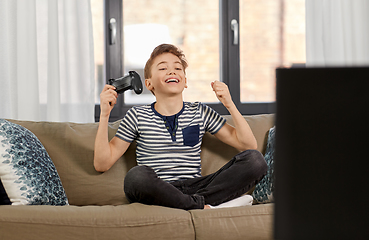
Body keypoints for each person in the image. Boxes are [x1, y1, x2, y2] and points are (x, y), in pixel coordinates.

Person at [94, 44, 267, 210]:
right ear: (149, 84)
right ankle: (203, 206)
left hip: (198, 188)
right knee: (136, 177)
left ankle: (192, 204)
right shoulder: (137, 115)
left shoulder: (200, 112)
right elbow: (102, 164)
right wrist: (104, 115)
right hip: (160, 189)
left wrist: (230, 104)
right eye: (162, 68)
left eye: (177, 68)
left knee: (255, 160)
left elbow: (248, 145)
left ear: (185, 81)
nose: (171, 71)